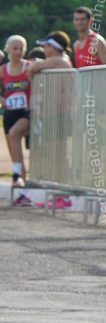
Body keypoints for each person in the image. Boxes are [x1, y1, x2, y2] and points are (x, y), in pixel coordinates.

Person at [27, 32, 74, 208]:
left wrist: (35, 66)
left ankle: (62, 196)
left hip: (58, 114)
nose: (44, 49)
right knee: (54, 156)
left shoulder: (60, 61)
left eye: (46, 46)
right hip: (53, 114)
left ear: (53, 47)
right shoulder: (59, 61)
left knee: (58, 156)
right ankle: (58, 195)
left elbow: (31, 68)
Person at [3, 35, 33, 201]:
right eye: (15, 48)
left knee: (15, 135)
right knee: (14, 153)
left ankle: (17, 179)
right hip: (9, 113)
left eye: (21, 49)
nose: (18, 52)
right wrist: (1, 99)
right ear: (8, 50)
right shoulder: (4, 70)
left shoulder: (29, 67)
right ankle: (23, 192)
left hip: (25, 112)